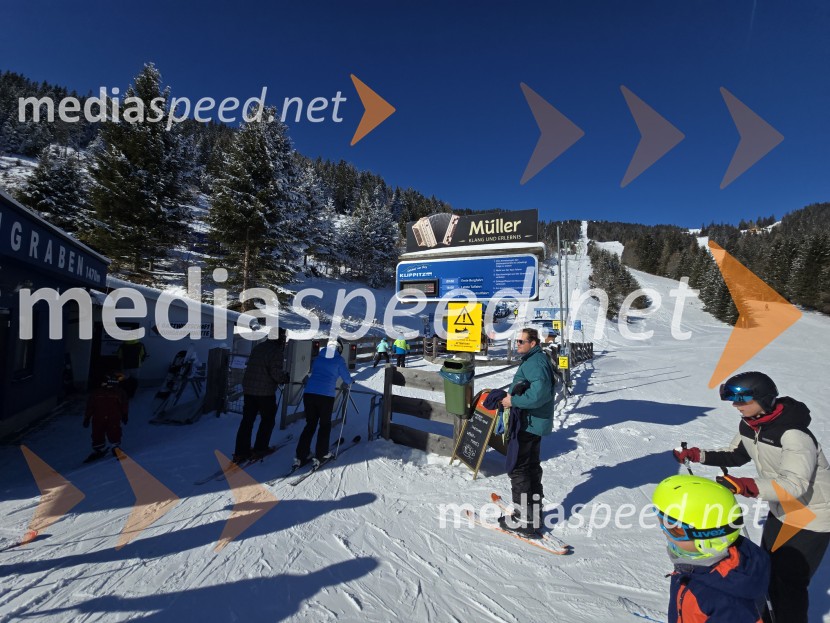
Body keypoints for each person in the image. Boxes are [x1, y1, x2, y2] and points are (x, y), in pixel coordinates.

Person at [673, 371, 830, 623]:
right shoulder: (750, 425)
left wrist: (745, 486)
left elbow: (794, 484)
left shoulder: (794, 435)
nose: (736, 406)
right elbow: (735, 454)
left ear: (763, 399)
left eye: (742, 400)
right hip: (782, 509)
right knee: (766, 570)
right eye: (734, 400)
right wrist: (696, 455)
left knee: (789, 583)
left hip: (813, 516)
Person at [652, 474, 770, 622]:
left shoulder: (727, 602)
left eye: (674, 528)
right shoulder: (694, 566)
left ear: (710, 538)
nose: (664, 530)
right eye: (661, 520)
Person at [498, 327, 555, 537]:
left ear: (533, 343)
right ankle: (534, 514)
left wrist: (513, 400)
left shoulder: (535, 362)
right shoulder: (536, 360)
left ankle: (524, 520)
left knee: (519, 468)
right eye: (517, 342)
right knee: (530, 467)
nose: (518, 345)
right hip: (534, 422)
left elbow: (539, 394)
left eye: (521, 341)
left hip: (529, 422)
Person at [295, 338, 354, 468]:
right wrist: (350, 381)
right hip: (325, 396)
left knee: (310, 424)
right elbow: (346, 378)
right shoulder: (339, 360)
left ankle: (301, 455)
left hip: (309, 394)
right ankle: (321, 454)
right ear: (339, 348)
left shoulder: (319, 358)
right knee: (324, 425)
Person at [233, 328, 288, 464]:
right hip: (264, 392)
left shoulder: (259, 347)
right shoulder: (276, 351)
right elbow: (275, 373)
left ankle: (241, 451)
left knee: (247, 421)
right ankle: (260, 448)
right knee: (267, 420)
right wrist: (284, 378)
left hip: (249, 389)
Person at [83, 373, 129, 461]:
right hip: (98, 417)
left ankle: (115, 447)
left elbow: (124, 404)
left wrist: (125, 414)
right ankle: (99, 449)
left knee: (114, 430)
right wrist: (87, 418)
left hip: (113, 416)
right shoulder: (97, 393)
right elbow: (90, 406)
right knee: (97, 432)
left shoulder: (119, 392)